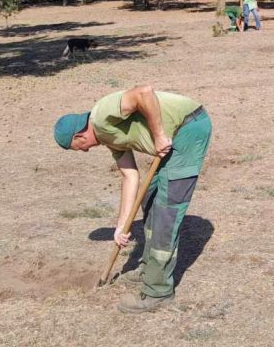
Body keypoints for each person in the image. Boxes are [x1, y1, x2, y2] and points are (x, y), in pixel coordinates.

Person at [53, 85, 212, 313]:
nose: (83, 151)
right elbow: (130, 175)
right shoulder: (110, 139)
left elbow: (143, 92)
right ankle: (149, 268)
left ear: (79, 136)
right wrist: (121, 226)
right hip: (173, 136)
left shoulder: (101, 115)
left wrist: (158, 136)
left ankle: (159, 292)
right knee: (150, 197)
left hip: (188, 127)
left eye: (77, 147)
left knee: (166, 212)